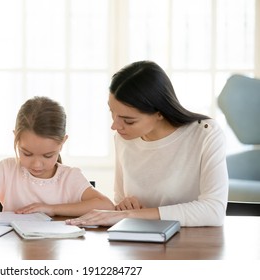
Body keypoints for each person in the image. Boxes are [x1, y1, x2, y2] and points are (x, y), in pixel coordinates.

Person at [66, 60, 228, 227]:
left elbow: (213, 211)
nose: (115, 126)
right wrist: (126, 206)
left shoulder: (205, 134)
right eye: (112, 112)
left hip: (193, 244)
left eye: (128, 121)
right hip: (139, 242)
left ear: (159, 113)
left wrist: (133, 214)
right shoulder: (124, 139)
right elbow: (121, 201)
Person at [0, 96, 114, 223]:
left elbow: (107, 206)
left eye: (48, 155)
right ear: (16, 137)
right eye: (27, 153)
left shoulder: (69, 177)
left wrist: (52, 209)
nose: (36, 164)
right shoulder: (7, 169)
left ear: (63, 142)